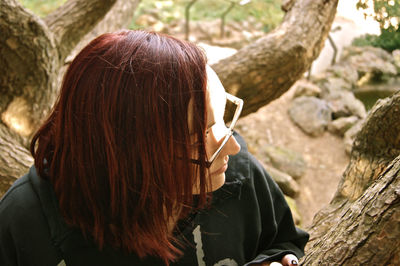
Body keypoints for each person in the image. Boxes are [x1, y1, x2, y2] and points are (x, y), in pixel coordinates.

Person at [0, 30, 308, 266]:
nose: (232, 147)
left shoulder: (237, 178)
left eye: (222, 118)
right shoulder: (26, 223)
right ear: (124, 156)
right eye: (196, 136)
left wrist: (273, 258)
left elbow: (281, 240)